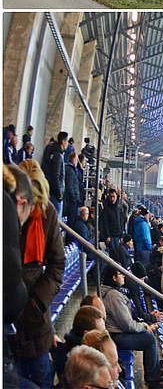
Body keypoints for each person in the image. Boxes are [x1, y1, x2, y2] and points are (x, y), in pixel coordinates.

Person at [9, 161, 67, 388]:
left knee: (42, 379)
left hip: (36, 321)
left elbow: (57, 264)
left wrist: (37, 303)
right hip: (9, 318)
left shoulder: (47, 212)